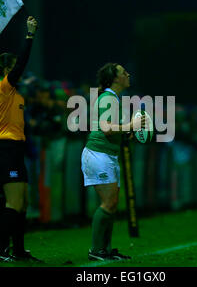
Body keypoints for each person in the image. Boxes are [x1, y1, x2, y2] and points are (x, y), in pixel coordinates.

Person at [0, 16, 41, 263]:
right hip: (5, 148)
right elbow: (20, 68)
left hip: (15, 148)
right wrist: (29, 36)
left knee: (24, 203)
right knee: (14, 203)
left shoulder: (13, 92)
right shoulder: (0, 87)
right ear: (4, 70)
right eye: (13, 67)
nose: (18, 71)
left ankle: (18, 251)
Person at [81, 63, 146, 261]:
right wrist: (130, 125)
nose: (128, 74)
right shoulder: (108, 98)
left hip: (106, 155)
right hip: (98, 154)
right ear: (116, 79)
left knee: (112, 204)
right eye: (123, 72)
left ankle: (105, 250)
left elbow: (113, 130)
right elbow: (106, 128)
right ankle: (96, 250)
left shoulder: (113, 98)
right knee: (108, 203)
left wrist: (128, 132)